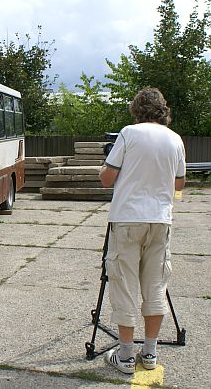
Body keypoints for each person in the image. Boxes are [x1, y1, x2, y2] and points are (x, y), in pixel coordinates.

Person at [99, 87, 186, 374]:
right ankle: (149, 353)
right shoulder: (175, 140)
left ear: (136, 110)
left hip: (127, 218)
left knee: (124, 283)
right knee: (155, 285)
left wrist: (109, 167)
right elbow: (179, 185)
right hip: (160, 220)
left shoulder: (129, 134)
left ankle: (125, 356)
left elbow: (107, 179)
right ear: (163, 110)